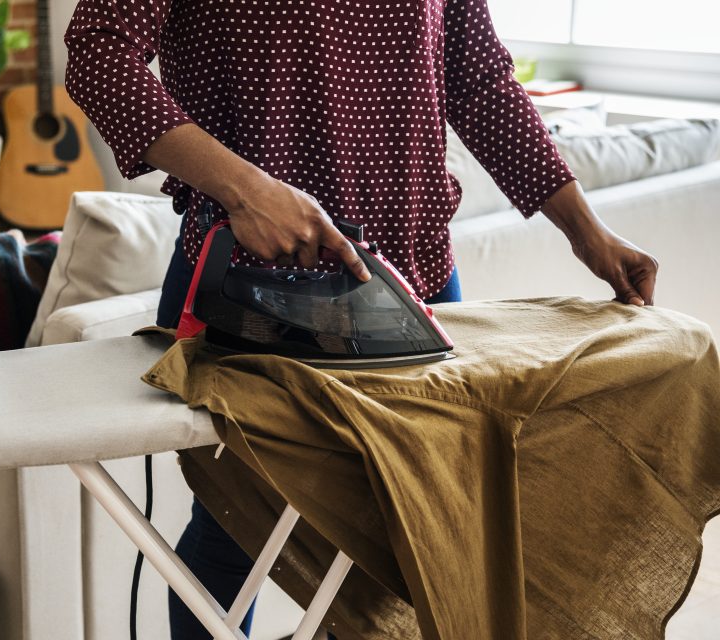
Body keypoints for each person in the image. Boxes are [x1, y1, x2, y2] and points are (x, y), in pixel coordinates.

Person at [63, 0, 659, 637]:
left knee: (423, 537)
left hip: (413, 281)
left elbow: (480, 80)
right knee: (237, 534)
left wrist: (586, 233)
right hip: (253, 289)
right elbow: (98, 54)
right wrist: (248, 190)